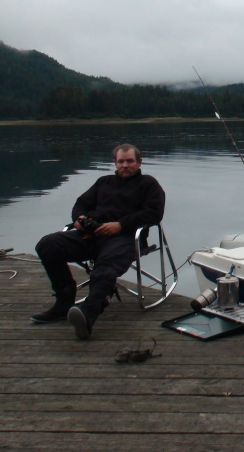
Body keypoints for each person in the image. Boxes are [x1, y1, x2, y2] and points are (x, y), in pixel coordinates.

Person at [31, 143, 165, 339]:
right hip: (91, 235)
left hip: (126, 237)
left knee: (106, 264)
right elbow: (81, 203)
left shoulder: (148, 184)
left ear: (139, 162)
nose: (125, 165)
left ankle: (89, 312)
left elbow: (154, 213)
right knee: (48, 244)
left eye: (129, 161)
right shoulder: (104, 182)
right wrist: (79, 220)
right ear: (115, 163)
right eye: (121, 162)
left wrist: (120, 225)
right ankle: (64, 301)